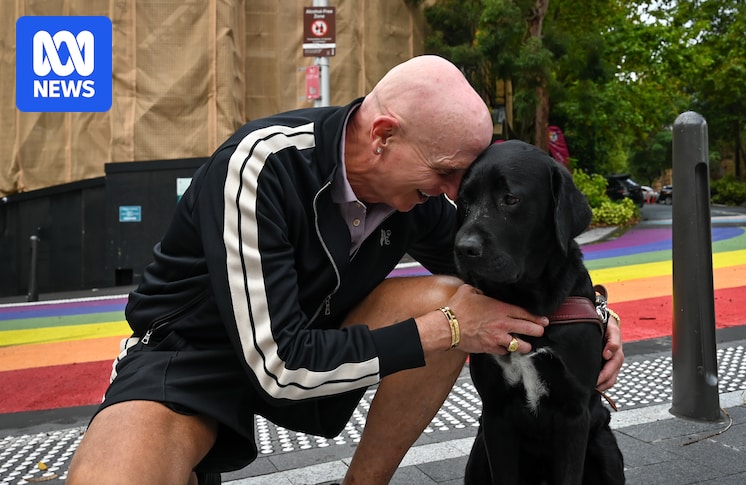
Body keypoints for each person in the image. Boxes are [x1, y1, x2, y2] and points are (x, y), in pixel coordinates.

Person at [67, 55, 624, 485]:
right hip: (192, 359)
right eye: (449, 173)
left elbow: (509, 273)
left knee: (455, 298)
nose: (453, 195)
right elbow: (277, 367)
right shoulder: (260, 166)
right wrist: (449, 330)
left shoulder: (417, 193)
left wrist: (593, 314)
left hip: (317, 337)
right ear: (383, 136)